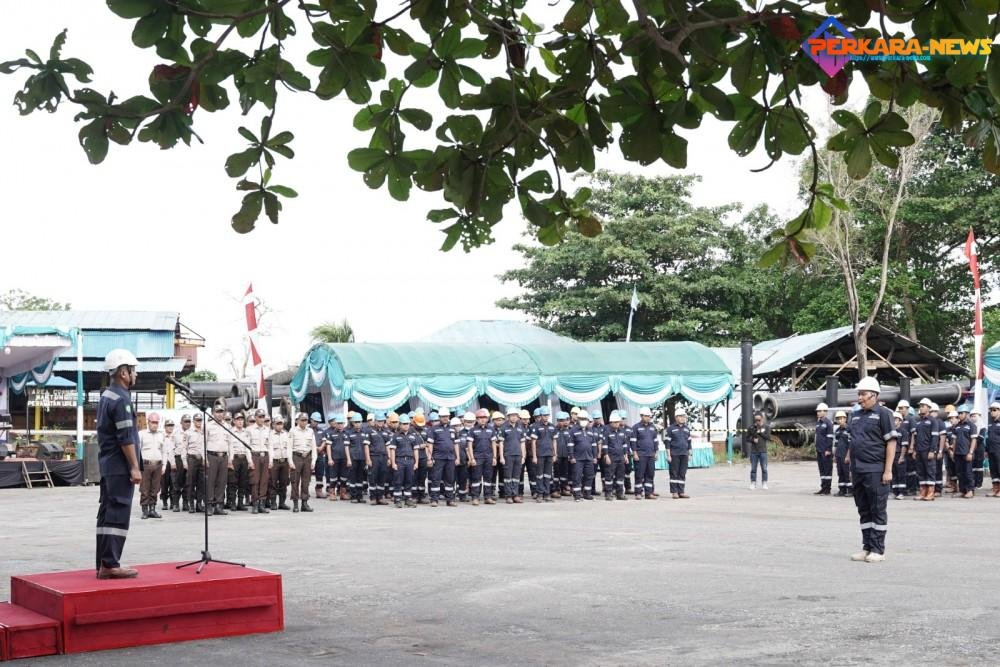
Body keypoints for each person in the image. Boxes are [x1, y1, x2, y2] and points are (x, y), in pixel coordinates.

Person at [95, 348, 142, 579]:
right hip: (119, 467)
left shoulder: (106, 395)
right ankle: (111, 564)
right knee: (118, 512)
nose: (135, 375)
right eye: (133, 371)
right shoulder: (121, 399)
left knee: (106, 512)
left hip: (108, 466)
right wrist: (134, 467)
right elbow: (125, 438)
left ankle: (104, 563)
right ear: (123, 372)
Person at [847, 377, 897, 563]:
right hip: (858, 470)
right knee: (864, 510)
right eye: (859, 394)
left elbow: (891, 443)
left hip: (876, 469)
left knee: (877, 509)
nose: (860, 398)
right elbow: (855, 441)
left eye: (863, 394)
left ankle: (878, 549)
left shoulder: (884, 414)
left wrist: (888, 470)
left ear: (874, 396)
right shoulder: (856, 415)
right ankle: (867, 547)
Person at [425, 409, 459, 507]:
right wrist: (429, 458)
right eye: (443, 416)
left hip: (450, 458)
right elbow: (430, 444)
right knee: (436, 478)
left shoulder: (452, 429)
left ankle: (450, 500)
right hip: (438, 457)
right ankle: (434, 500)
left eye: (447, 416)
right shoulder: (434, 429)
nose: (445, 418)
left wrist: (457, 457)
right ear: (439, 417)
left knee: (450, 479)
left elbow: (456, 444)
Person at [205, 406, 234, 516]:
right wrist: (205, 458)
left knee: (222, 482)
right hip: (212, 455)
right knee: (211, 482)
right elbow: (204, 442)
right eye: (217, 412)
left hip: (224, 456)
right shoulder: (208, 426)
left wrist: (230, 459)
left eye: (221, 412)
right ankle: (209, 505)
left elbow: (230, 444)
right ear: (213, 413)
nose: (219, 414)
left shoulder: (227, 426)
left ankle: (218, 505)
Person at [138, 412, 168, 519]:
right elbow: (138, 451)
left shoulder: (161, 434)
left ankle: (152, 509)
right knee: (145, 488)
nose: (154, 425)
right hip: (145, 465)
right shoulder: (141, 434)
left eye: (156, 422)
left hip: (158, 465)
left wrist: (164, 466)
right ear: (148, 422)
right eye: (153, 422)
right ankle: (145, 510)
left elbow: (164, 451)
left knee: (155, 488)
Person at [389, 413, 421, 508]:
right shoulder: (395, 436)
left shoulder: (413, 436)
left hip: (410, 461)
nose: (406, 425)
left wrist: (416, 462)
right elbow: (392, 450)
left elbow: (416, 450)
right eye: (403, 424)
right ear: (400, 424)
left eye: (407, 423)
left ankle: (408, 499)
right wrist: (393, 463)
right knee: (398, 480)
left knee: (409, 480)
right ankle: (398, 500)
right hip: (400, 461)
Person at [496, 407, 527, 503]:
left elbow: (523, 443)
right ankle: (508, 496)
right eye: (511, 416)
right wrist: (501, 456)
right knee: (508, 476)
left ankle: (515, 495)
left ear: (518, 417)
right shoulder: (503, 428)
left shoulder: (520, 428)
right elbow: (501, 443)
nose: (513, 417)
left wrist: (523, 456)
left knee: (516, 476)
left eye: (515, 415)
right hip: (508, 455)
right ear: (508, 417)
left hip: (518, 455)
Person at [568, 410, 599, 501]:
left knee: (589, 476)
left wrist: (595, 457)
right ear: (578, 419)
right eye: (581, 418)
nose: (583, 420)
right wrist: (571, 456)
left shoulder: (590, 430)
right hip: (577, 459)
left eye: (585, 418)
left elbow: (594, 445)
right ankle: (577, 495)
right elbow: (570, 445)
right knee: (577, 477)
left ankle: (587, 494)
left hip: (589, 458)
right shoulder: (573, 430)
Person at [467, 408, 496, 505]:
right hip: (477, 457)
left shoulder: (491, 429)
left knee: (488, 478)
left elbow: (493, 443)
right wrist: (472, 458)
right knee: (476, 478)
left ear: (487, 419)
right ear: (477, 419)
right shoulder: (472, 430)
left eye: (484, 418)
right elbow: (470, 445)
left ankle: (488, 497)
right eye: (480, 418)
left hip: (488, 457)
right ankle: (475, 497)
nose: (482, 420)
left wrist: (494, 457)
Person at [528, 406, 557, 502]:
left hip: (549, 454)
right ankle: (540, 494)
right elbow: (533, 442)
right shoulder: (536, 427)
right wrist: (534, 456)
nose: (545, 417)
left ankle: (547, 494)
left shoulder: (552, 426)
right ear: (540, 416)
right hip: (540, 455)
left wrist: (555, 454)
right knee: (539, 475)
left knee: (548, 475)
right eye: (543, 415)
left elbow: (554, 442)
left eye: (547, 415)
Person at [911, 398, 938, 501]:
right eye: (920, 406)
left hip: (928, 450)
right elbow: (915, 437)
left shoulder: (933, 421)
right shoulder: (918, 422)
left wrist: (932, 450)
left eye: (923, 406)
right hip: (919, 450)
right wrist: (914, 450)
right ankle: (923, 492)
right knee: (921, 471)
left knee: (930, 470)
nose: (921, 408)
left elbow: (935, 437)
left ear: (928, 408)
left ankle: (931, 493)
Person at [247, 409, 273, 514]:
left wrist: (271, 460)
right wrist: (249, 460)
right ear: (255, 417)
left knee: (264, 481)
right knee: (255, 481)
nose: (261, 419)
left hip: (265, 455)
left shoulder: (268, 430)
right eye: (259, 417)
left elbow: (270, 446)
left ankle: (262, 504)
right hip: (255, 456)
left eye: (263, 417)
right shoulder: (249, 429)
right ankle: (255, 504)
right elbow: (247, 447)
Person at [601, 411, 632, 500]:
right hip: (611, 457)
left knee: (620, 476)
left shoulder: (622, 432)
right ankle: (608, 494)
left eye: (618, 422)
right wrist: (606, 456)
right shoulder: (607, 432)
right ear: (611, 422)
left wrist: (626, 456)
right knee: (609, 476)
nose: (617, 424)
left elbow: (625, 445)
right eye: (615, 422)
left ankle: (620, 494)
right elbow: (605, 445)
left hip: (621, 457)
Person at [289, 412, 317, 512]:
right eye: (302, 420)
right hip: (296, 456)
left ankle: (304, 503)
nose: (304, 422)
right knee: (295, 481)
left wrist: (313, 460)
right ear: (298, 421)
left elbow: (313, 447)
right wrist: (290, 461)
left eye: (306, 420)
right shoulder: (293, 431)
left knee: (306, 482)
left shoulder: (310, 431)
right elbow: (289, 447)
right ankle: (295, 503)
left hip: (307, 457)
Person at [631, 407, 659, 499]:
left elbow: (655, 441)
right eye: (646, 416)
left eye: (649, 416)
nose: (648, 417)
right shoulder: (636, 427)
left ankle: (648, 493)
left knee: (650, 474)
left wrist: (656, 452)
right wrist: (635, 453)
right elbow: (633, 442)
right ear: (641, 416)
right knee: (639, 474)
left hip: (651, 454)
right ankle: (638, 493)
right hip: (640, 455)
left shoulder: (652, 427)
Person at [665, 408, 692, 499]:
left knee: (682, 473)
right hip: (674, 454)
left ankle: (681, 491)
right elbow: (667, 443)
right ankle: (674, 492)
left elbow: (689, 443)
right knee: (674, 473)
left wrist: (689, 454)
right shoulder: (670, 429)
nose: (683, 418)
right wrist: (668, 455)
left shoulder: (687, 429)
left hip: (684, 454)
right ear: (676, 417)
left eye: (684, 416)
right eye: (681, 416)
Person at [366, 412, 392, 506]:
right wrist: (368, 459)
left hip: (384, 457)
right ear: (375, 421)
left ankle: (380, 497)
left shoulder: (386, 431)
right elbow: (366, 446)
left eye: (382, 421)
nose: (380, 422)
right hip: (374, 457)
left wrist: (389, 458)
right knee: (373, 477)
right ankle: (373, 498)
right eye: (379, 421)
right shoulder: (369, 431)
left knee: (382, 477)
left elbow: (388, 446)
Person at [952, 406, 978, 498]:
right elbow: (954, 441)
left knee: (968, 472)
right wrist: (953, 452)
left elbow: (974, 440)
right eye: (958, 413)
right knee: (959, 473)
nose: (959, 415)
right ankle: (962, 490)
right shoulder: (957, 426)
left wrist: (970, 453)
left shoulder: (971, 425)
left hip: (967, 453)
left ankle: (970, 490)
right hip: (958, 453)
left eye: (961, 413)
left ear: (966, 414)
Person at [324, 414, 351, 501]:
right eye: (338, 423)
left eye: (341, 423)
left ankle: (342, 493)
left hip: (344, 459)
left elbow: (347, 447)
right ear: (335, 424)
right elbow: (328, 447)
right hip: (334, 459)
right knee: (333, 477)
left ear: (344, 424)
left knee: (344, 477)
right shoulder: (331, 434)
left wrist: (349, 459)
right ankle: (332, 493)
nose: (340, 425)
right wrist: (330, 459)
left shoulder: (347, 434)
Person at [184, 413, 206, 514]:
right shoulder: (188, 433)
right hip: (192, 459)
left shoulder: (204, 432)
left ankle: (199, 503)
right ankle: (191, 504)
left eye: (200, 420)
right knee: (191, 482)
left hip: (201, 459)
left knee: (201, 483)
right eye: (197, 420)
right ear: (193, 421)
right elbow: (184, 448)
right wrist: (185, 462)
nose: (199, 422)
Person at [345, 413, 369, 503]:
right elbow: (346, 447)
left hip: (362, 458)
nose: (358, 424)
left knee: (361, 477)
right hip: (353, 458)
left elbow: (367, 447)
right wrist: (348, 459)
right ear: (353, 423)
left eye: (359, 422)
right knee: (353, 477)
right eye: (356, 422)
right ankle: (353, 496)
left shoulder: (365, 432)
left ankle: (360, 496)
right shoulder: (348, 433)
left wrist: (367, 459)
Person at [269, 415, 291, 510]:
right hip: (275, 461)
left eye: (281, 424)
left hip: (284, 461)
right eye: (277, 424)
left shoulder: (286, 434)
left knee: (284, 482)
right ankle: (273, 502)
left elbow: (289, 448)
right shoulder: (270, 434)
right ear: (273, 425)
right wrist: (270, 461)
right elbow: (269, 449)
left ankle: (282, 502)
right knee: (273, 482)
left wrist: (290, 462)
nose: (279, 426)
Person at [170, 415, 190, 512]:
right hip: (178, 460)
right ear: (181, 422)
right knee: (176, 483)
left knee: (187, 482)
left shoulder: (192, 433)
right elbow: (171, 449)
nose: (187, 423)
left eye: (189, 421)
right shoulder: (176, 434)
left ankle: (185, 503)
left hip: (189, 459)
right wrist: (173, 463)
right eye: (185, 421)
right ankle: (175, 504)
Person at [814, 402, 834, 495]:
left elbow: (830, 437)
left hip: (825, 451)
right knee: (822, 470)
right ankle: (823, 488)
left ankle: (827, 489)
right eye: (817, 411)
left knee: (827, 470)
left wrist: (828, 450)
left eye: (819, 411)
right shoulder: (818, 423)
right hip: (819, 450)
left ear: (824, 412)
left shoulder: (828, 423)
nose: (818, 413)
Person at [747, 411, 770, 490]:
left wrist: (760, 433)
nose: (757, 422)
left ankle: (764, 483)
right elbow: (747, 438)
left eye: (759, 420)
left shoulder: (766, 427)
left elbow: (768, 438)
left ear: (762, 419)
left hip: (763, 451)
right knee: (753, 468)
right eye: (756, 420)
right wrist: (753, 440)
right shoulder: (751, 427)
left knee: (764, 468)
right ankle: (753, 483)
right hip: (754, 451)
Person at [455, 412, 475, 502]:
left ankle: (474, 494)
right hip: (464, 459)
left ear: (474, 422)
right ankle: (461, 495)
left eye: (471, 422)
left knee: (475, 477)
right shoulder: (460, 433)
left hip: (475, 458)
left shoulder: (476, 432)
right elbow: (459, 447)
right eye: (468, 422)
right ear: (464, 422)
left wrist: (472, 458)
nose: (469, 424)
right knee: (462, 477)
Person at [554, 411, 573, 498]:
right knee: (556, 474)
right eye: (560, 420)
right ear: (557, 421)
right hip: (556, 456)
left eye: (563, 420)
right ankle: (556, 489)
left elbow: (570, 444)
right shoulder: (554, 430)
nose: (562, 422)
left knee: (564, 474)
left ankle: (563, 489)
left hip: (565, 456)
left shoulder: (568, 431)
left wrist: (570, 455)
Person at [833, 410, 852, 496]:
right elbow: (836, 444)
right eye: (838, 419)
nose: (840, 420)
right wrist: (834, 455)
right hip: (839, 455)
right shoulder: (837, 431)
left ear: (845, 419)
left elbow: (851, 444)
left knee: (847, 472)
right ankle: (842, 490)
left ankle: (850, 490)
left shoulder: (849, 430)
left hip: (846, 455)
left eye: (842, 418)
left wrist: (848, 456)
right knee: (840, 472)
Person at [309, 411, 328, 498]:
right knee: (307, 473)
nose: (316, 423)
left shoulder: (321, 430)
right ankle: (304, 491)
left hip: (320, 455)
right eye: (315, 421)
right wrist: (315, 448)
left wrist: (321, 447)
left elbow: (324, 440)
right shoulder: (307, 430)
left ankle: (319, 490)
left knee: (319, 473)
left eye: (318, 421)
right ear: (311, 420)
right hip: (309, 455)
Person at [988, 402, 1000, 497]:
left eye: (994, 410)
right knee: (993, 470)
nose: (992, 412)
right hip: (991, 450)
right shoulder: (990, 424)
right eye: (991, 410)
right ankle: (995, 488)